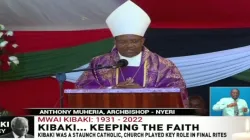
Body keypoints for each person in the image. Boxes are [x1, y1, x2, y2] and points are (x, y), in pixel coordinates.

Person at [76, 0, 188, 107]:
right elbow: (82, 90)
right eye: (123, 41)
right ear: (115, 42)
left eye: (134, 41)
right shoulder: (99, 63)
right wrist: (111, 91)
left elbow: (178, 94)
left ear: (142, 41)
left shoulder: (163, 65)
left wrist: (144, 92)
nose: (129, 45)